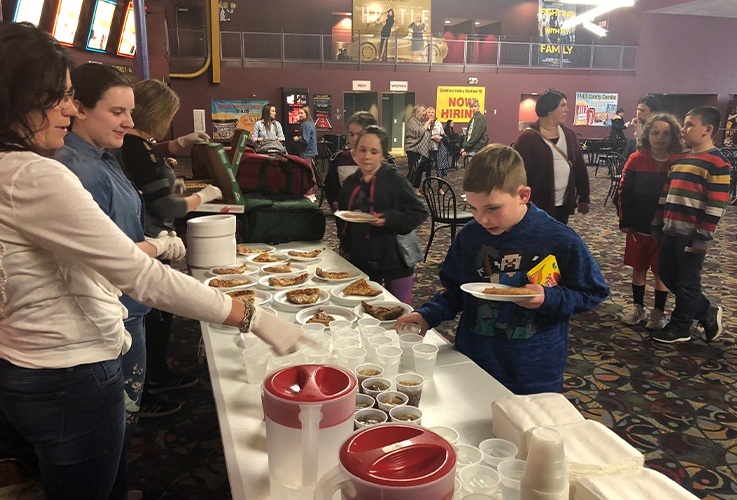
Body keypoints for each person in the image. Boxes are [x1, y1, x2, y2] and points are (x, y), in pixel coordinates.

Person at [0, 22, 306, 500]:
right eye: (57, 96)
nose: (67, 107)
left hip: (30, 363)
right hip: (69, 369)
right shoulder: (38, 174)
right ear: (17, 97)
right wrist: (254, 316)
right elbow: (138, 274)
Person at [394, 144, 609, 394]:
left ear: (523, 196)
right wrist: (427, 315)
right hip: (474, 358)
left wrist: (549, 298)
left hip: (533, 370)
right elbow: (455, 292)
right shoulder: (471, 236)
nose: (482, 219)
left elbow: (593, 291)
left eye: (493, 208)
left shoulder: (559, 239)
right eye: (473, 208)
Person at [119, 79, 222, 418]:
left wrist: (176, 145)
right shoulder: (136, 148)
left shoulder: (136, 145)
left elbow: (148, 152)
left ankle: (157, 373)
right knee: (153, 312)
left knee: (157, 315)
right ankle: (148, 384)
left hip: (147, 238)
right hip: (150, 239)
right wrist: (200, 197)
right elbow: (164, 205)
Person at [650, 106, 730, 344]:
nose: (683, 130)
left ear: (707, 129)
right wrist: (657, 221)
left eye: (689, 125)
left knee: (686, 282)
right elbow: (666, 194)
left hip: (691, 234)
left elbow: (715, 205)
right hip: (670, 229)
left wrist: (703, 236)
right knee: (666, 273)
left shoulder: (718, 162)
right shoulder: (682, 159)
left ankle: (681, 326)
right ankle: (705, 310)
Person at [338, 126, 428, 305]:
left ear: (383, 155)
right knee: (364, 309)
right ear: (355, 150)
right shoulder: (350, 183)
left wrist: (389, 218)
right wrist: (344, 248)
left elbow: (419, 212)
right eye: (362, 150)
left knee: (398, 311)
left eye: (374, 151)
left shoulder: (394, 181)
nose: (367, 156)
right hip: (360, 258)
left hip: (394, 260)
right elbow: (344, 221)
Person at [617, 113, 684, 331]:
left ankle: (658, 311)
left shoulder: (679, 161)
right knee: (638, 267)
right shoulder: (637, 158)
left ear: (673, 136)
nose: (660, 138)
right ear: (647, 135)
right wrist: (625, 219)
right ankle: (638, 307)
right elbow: (624, 191)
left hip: (666, 227)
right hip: (638, 225)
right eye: (655, 132)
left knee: (660, 271)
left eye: (666, 133)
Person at [514, 88, 590, 225]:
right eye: (563, 105)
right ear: (549, 109)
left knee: (557, 241)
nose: (567, 110)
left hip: (563, 205)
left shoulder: (569, 135)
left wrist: (584, 198)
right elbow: (517, 174)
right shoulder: (528, 139)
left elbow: (579, 167)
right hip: (535, 207)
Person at [324, 111, 378, 211]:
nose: (354, 139)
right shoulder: (340, 160)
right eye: (352, 134)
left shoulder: (383, 162)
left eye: (360, 134)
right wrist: (334, 202)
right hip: (348, 222)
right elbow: (330, 188)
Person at [622, 94, 661, 159]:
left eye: (642, 111)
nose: (638, 113)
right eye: (637, 110)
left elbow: (645, 149)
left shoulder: (658, 128)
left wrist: (638, 130)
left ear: (653, 113)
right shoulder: (642, 125)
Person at [404, 104, 431, 194]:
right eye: (423, 111)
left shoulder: (419, 122)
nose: (425, 113)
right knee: (413, 172)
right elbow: (418, 132)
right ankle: (404, 189)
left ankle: (415, 189)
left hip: (420, 151)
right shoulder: (412, 121)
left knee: (418, 171)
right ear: (418, 112)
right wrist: (427, 123)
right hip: (413, 150)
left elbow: (425, 134)